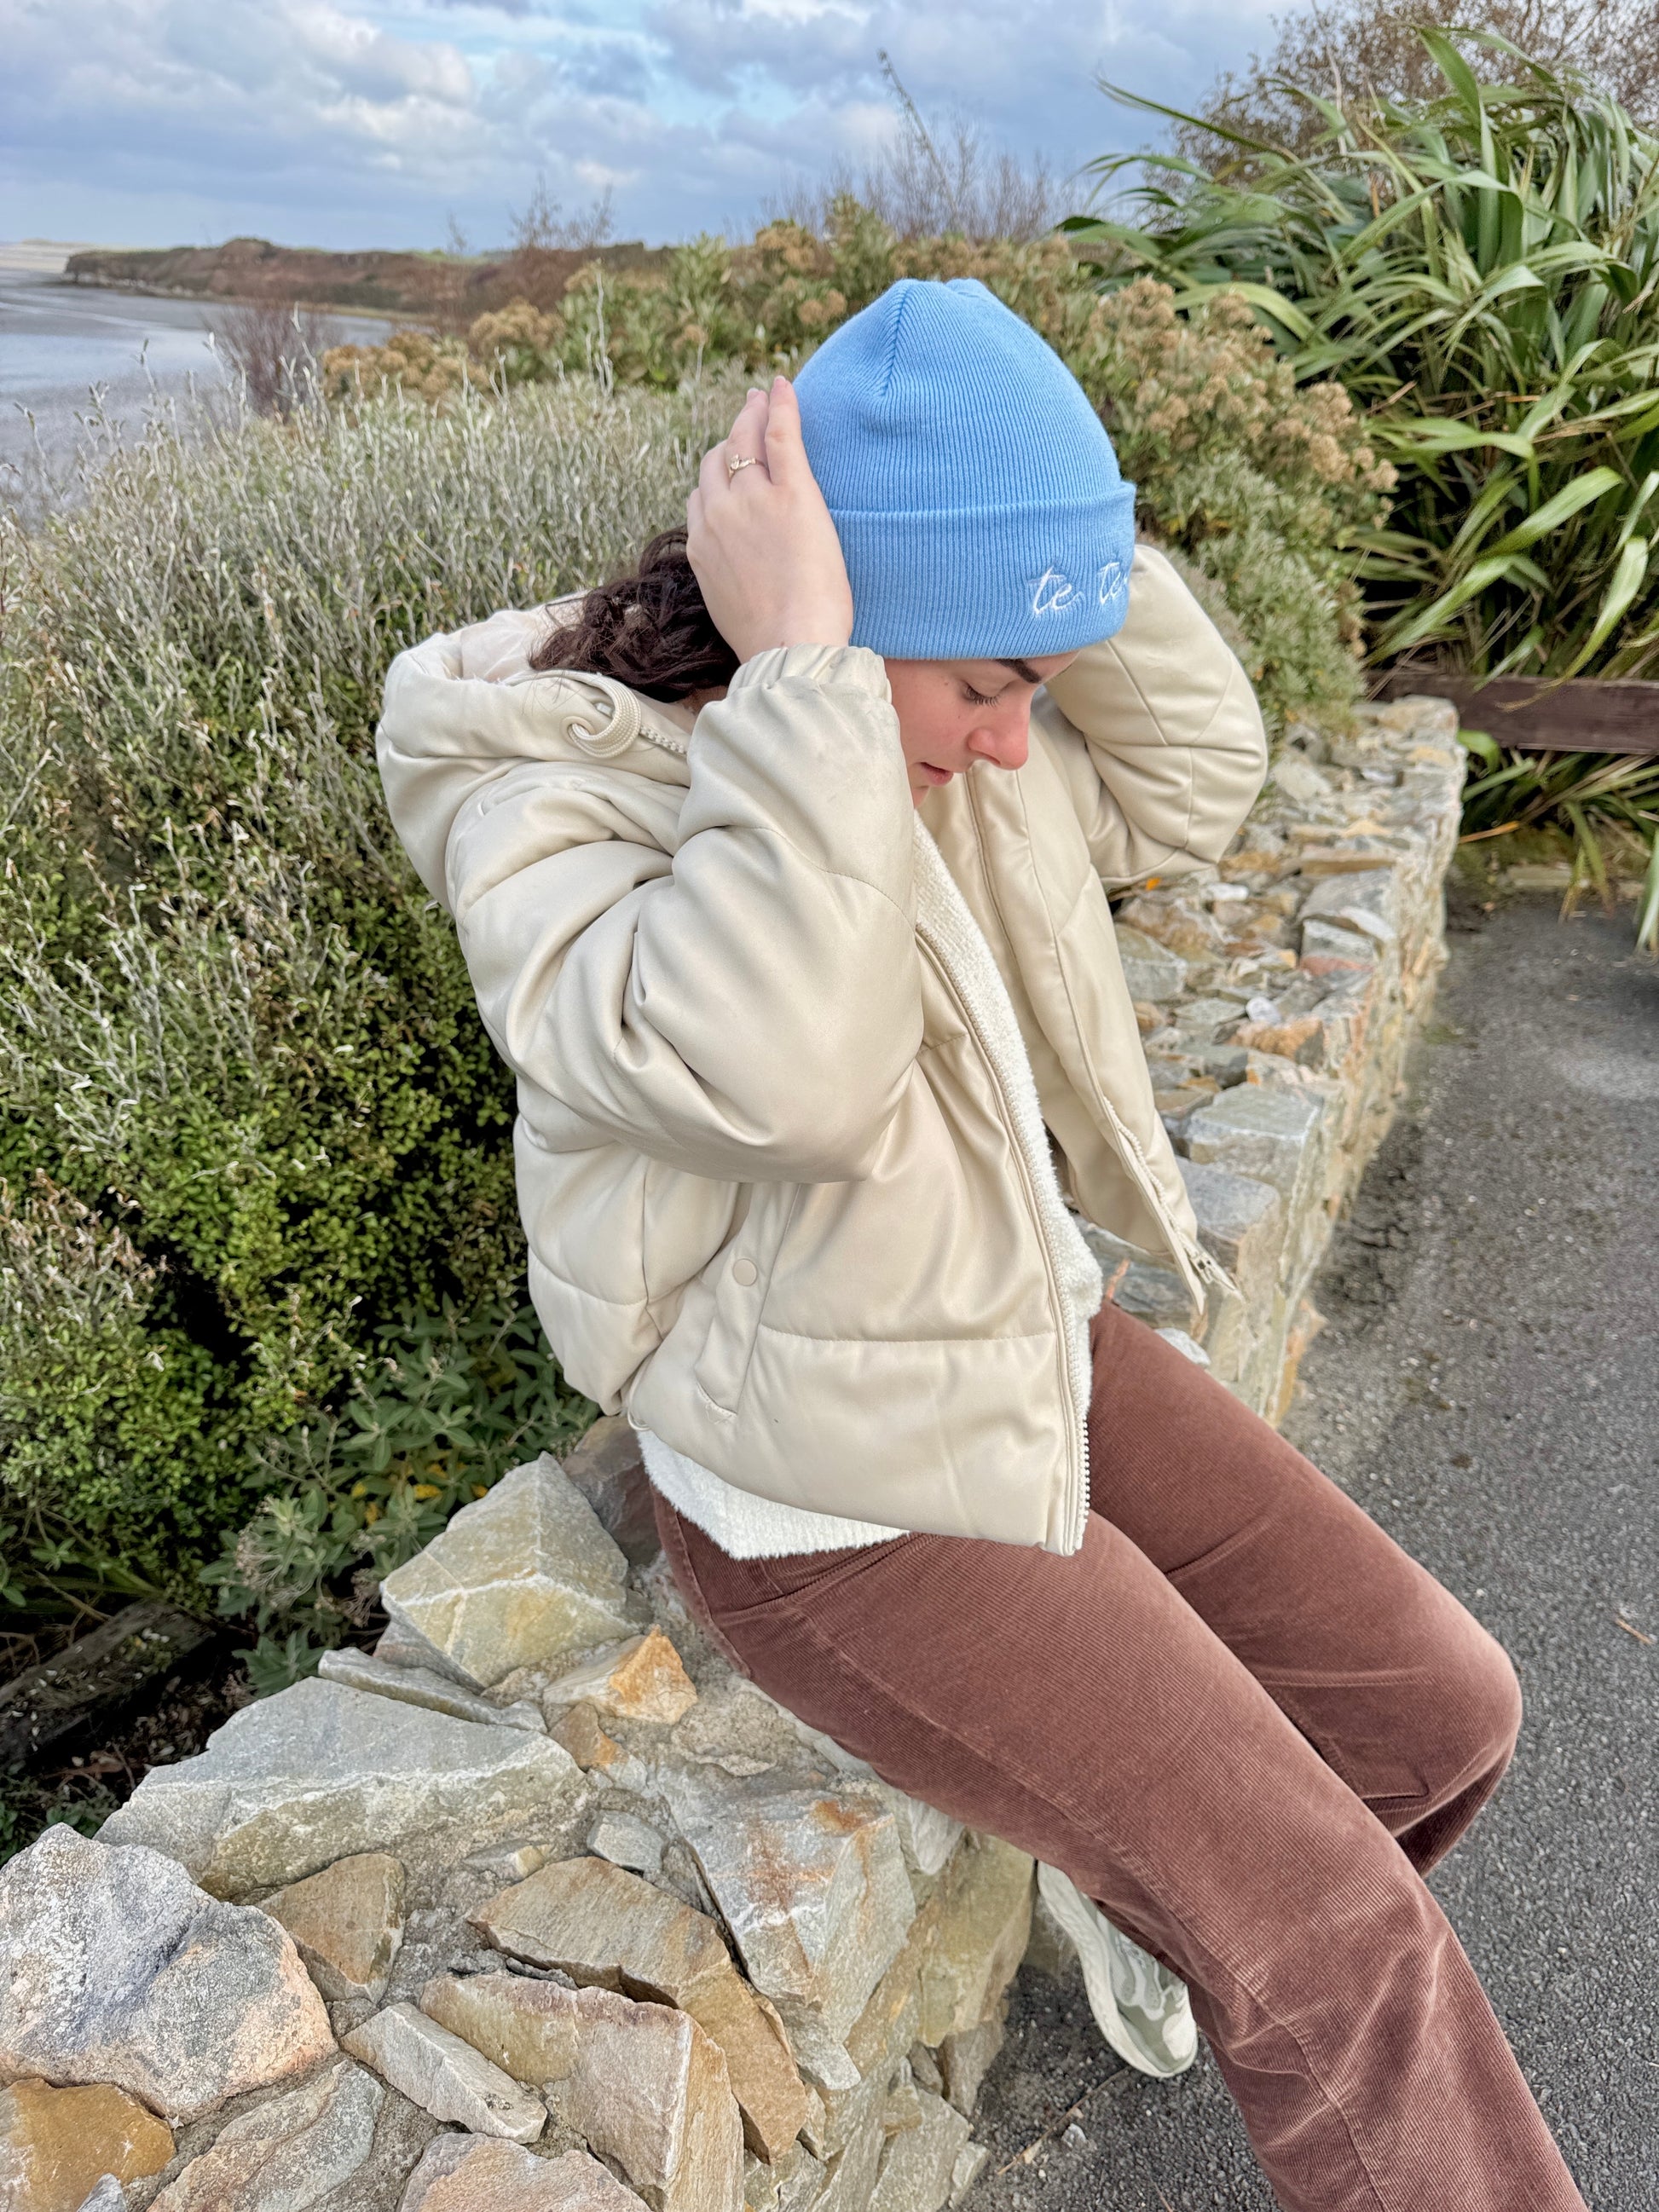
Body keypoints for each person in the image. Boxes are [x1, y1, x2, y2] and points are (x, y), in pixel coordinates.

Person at [375, 279, 1587, 2212]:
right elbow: (775, 1077)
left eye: (1035, 687)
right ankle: (1224, 1907)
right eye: (986, 691)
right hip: (831, 1499)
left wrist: (1043, 545)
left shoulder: (928, 730)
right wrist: (809, 681)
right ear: (827, 624)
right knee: (1337, 1940)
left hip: (1024, 1346)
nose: (1020, 749)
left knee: (1440, 1713)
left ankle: (1162, 1888)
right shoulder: (553, 791)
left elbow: (1192, 780)